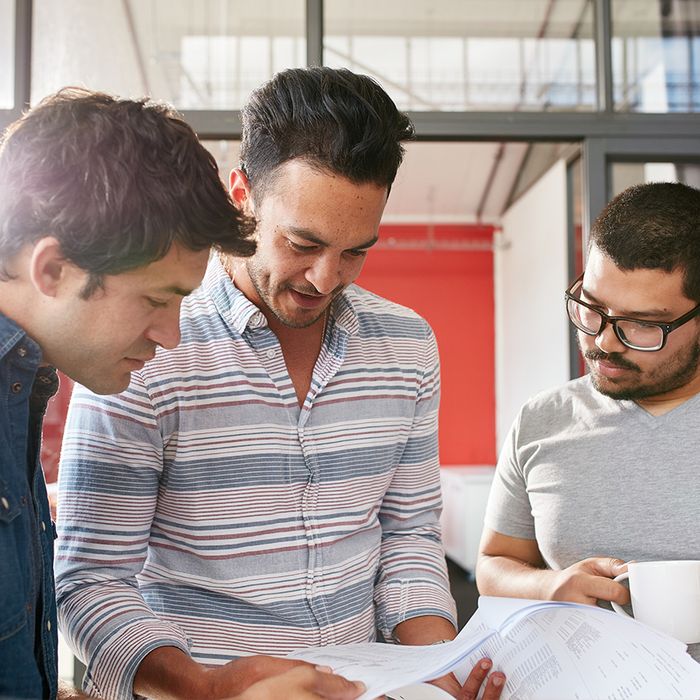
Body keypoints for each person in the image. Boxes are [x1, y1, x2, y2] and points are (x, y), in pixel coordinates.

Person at [55, 68, 505, 700]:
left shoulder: (407, 346)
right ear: (243, 194)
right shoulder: (141, 341)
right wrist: (209, 686)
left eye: (356, 252)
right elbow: (92, 581)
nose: (325, 278)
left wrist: (435, 666)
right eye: (303, 243)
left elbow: (408, 536)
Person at [0, 87, 366, 700]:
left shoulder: (20, 396)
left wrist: (210, 688)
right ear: (53, 270)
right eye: (156, 298)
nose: (172, 336)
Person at [476, 181, 700, 663]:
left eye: (643, 323)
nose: (605, 341)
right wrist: (548, 584)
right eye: (593, 307)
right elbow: (493, 565)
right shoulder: (542, 420)